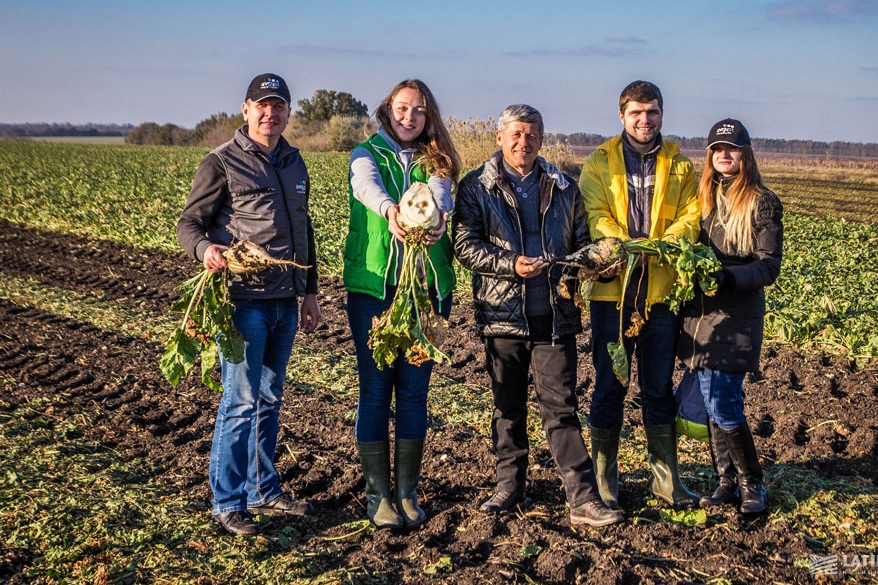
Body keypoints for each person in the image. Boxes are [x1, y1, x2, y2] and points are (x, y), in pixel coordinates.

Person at [452, 104, 623, 527]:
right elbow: (464, 244)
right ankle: (509, 486)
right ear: (499, 137)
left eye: (531, 135)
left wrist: (597, 262)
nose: (522, 142)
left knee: (561, 408)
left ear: (541, 139)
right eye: (515, 134)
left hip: (554, 316)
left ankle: (582, 498)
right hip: (502, 315)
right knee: (506, 407)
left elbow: (581, 242)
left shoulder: (563, 186)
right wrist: (510, 264)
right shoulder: (477, 186)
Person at [177, 73, 321, 535]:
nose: (270, 113)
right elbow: (189, 225)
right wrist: (207, 251)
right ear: (245, 109)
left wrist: (311, 292)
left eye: (278, 106)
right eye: (262, 105)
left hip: (285, 301)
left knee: (269, 397)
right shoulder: (220, 162)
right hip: (243, 303)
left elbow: (305, 231)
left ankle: (264, 491)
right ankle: (227, 501)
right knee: (240, 401)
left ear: (287, 114)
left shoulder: (295, 162)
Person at [577, 80, 702, 510]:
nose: (644, 120)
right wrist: (628, 248)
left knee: (657, 388)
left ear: (661, 114)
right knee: (609, 385)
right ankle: (604, 481)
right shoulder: (598, 162)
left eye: (651, 112)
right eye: (636, 113)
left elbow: (691, 215)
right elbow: (597, 215)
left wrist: (663, 245)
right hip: (612, 292)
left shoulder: (683, 167)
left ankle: (666, 481)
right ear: (622, 116)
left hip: (661, 292)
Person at [343, 79, 459, 530]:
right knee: (375, 389)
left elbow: (438, 196)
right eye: (402, 108)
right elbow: (365, 187)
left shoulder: (439, 161)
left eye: (419, 111)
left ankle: (407, 493)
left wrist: (437, 217)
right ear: (388, 110)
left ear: (428, 117)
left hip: (427, 290)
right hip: (375, 289)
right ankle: (378, 497)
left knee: (414, 390)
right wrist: (392, 212)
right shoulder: (366, 152)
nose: (409, 117)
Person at [676, 118, 782, 515]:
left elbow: (768, 266)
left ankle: (752, 482)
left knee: (724, 404)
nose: (725, 155)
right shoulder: (701, 198)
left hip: (735, 319)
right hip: (699, 319)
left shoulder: (761, 201)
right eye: (718, 149)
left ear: (745, 154)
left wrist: (724, 278)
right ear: (709, 156)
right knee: (708, 400)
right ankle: (725, 482)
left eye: (732, 148)